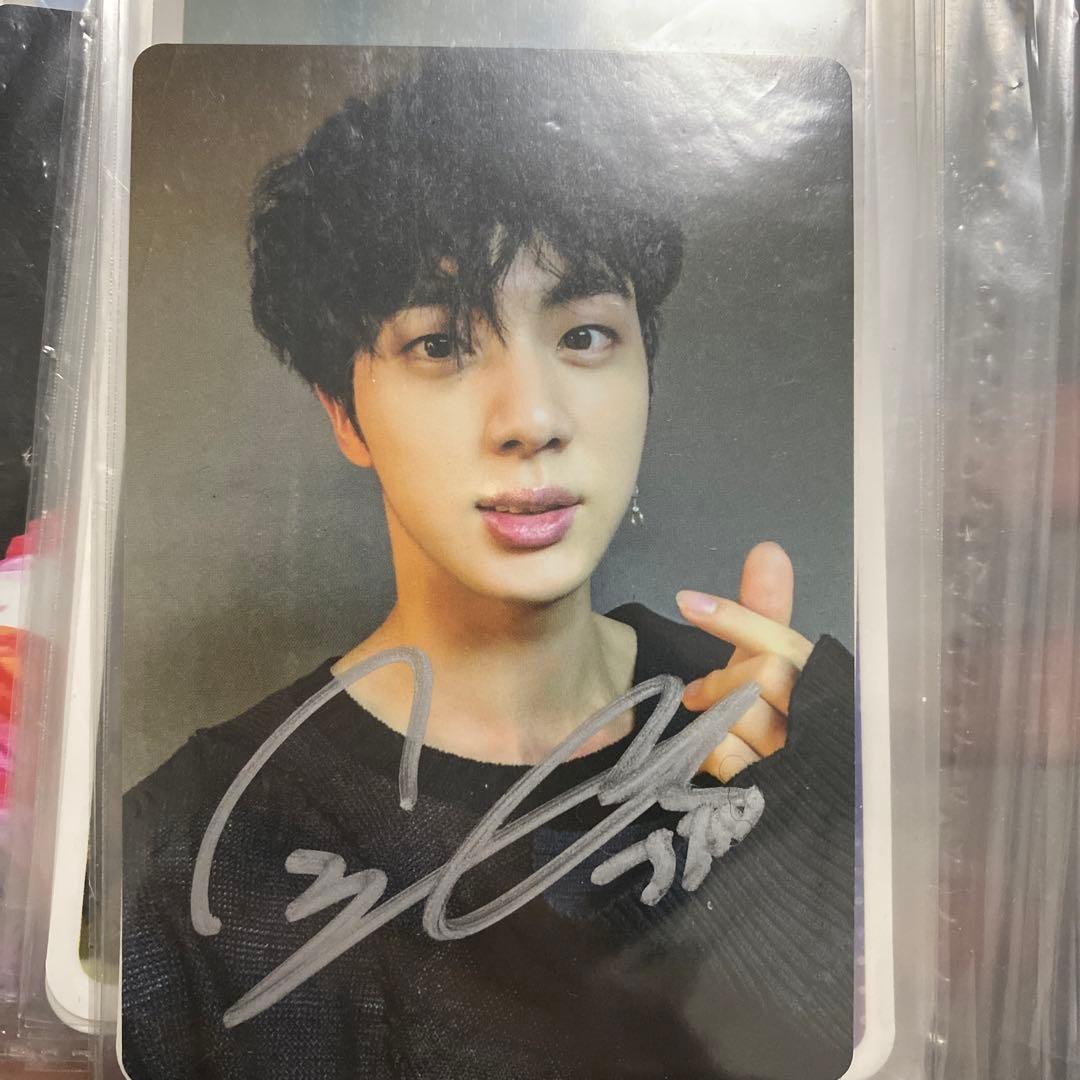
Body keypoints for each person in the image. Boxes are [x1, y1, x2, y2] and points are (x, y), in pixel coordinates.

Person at [121, 49, 855, 1080]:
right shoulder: (191, 846)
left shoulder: (811, 742)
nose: (532, 419)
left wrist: (829, 840)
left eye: (586, 334)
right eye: (439, 345)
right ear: (344, 414)